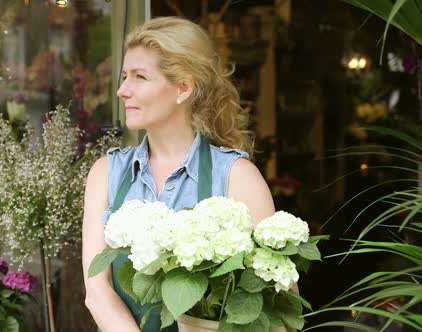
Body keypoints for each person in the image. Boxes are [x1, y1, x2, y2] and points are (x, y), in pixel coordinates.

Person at [82, 17, 287, 331]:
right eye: (124, 76)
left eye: (139, 77)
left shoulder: (237, 177)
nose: (123, 90)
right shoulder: (106, 174)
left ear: (183, 87)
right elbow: (97, 292)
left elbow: (278, 309)